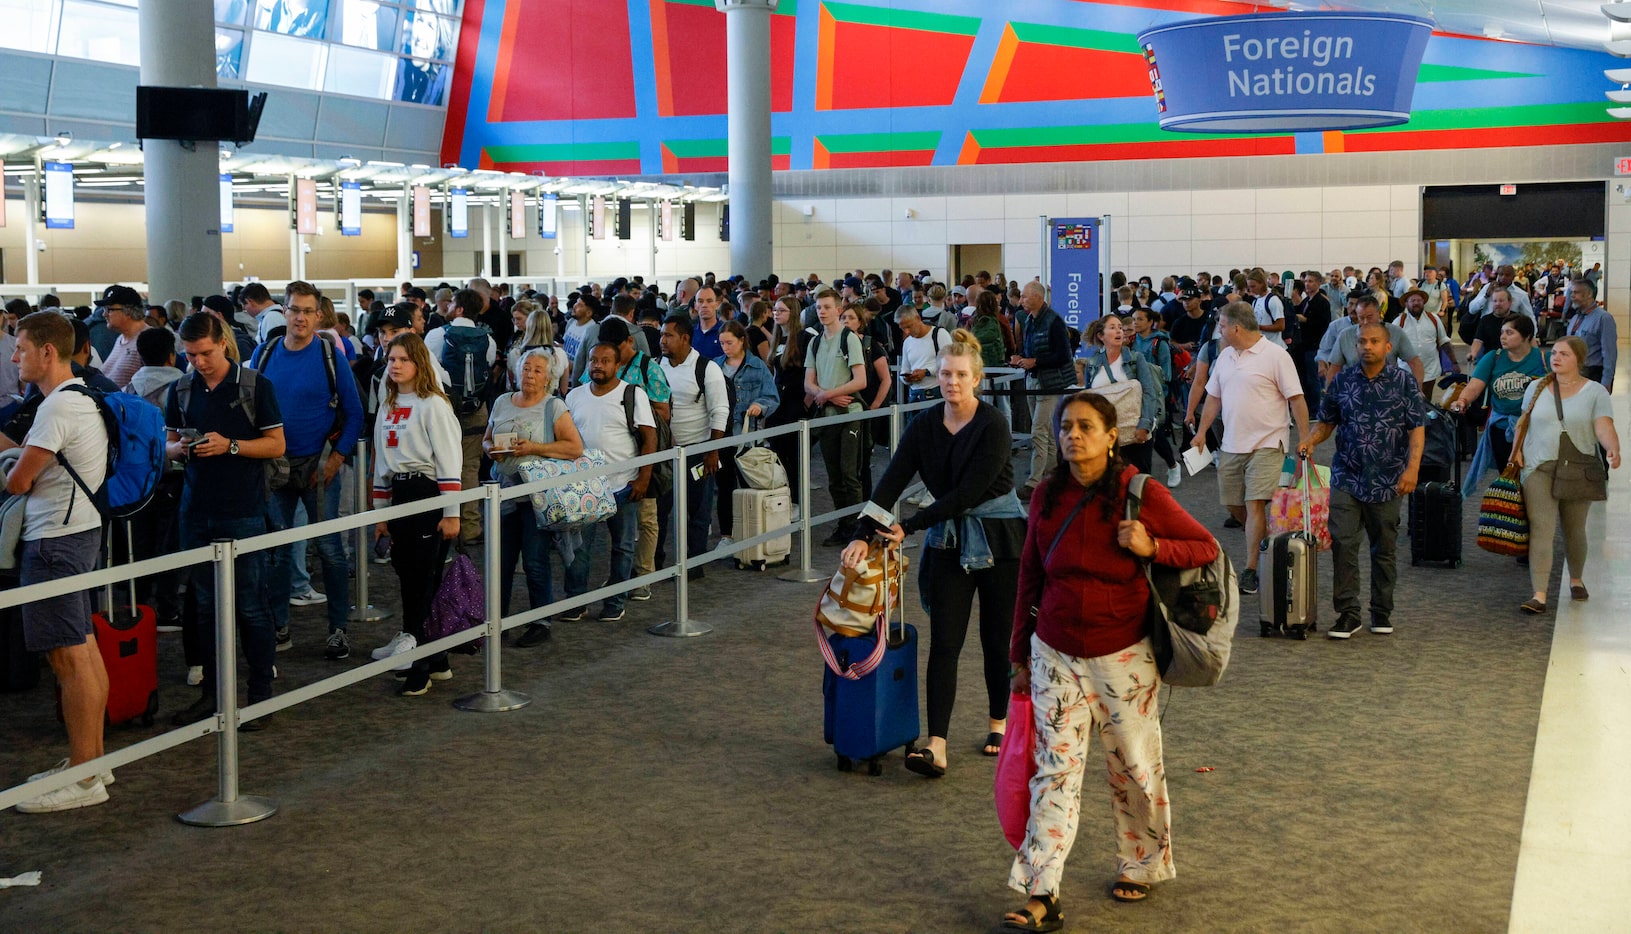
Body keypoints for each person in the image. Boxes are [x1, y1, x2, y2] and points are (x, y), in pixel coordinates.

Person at [1004, 391, 1219, 928]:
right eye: (1066, 428)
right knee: (1053, 773)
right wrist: (1019, 653)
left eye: (1085, 427)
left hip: (1123, 654)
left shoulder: (1138, 492)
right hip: (1053, 649)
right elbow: (1029, 575)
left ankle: (1142, 864)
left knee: (1135, 769)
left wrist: (1153, 548)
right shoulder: (1044, 496)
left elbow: (1205, 547)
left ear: (1109, 435)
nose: (1073, 436)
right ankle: (1041, 890)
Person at [840, 331, 1024, 777]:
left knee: (997, 642)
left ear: (977, 379)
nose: (952, 382)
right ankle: (936, 745)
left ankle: (999, 722)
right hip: (948, 541)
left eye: (961, 375)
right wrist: (864, 532)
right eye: (945, 374)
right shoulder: (923, 425)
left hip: (1000, 540)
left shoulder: (994, 424)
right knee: (944, 643)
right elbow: (891, 482)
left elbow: (967, 493)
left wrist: (911, 525)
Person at [3, 312, 112, 812]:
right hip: (78, 531)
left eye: (21, 347)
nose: (14, 357)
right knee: (83, 650)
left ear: (48, 352)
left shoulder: (56, 409)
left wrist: (13, 464)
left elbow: (19, 482)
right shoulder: (80, 398)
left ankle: (86, 775)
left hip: (54, 541)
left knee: (68, 659)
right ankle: (89, 762)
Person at [168, 312, 287, 726]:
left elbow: (276, 445)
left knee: (251, 605)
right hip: (196, 509)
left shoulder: (255, 386)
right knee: (203, 606)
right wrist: (179, 449)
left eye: (204, 352)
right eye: (190, 354)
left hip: (244, 509)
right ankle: (214, 693)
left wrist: (230, 446)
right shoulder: (182, 388)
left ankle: (259, 695)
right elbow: (167, 442)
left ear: (223, 343)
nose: (198, 361)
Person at [255, 281, 365, 661]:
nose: (299, 317)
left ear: (319, 316)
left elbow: (354, 414)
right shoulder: (265, 353)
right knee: (277, 552)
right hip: (274, 467)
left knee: (330, 549)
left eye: (307, 311)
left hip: (319, 467)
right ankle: (280, 625)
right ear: (283, 312)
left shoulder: (328, 356)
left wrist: (337, 458)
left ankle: (338, 629)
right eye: (293, 310)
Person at [1297, 323, 1426, 639]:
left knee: (1384, 548)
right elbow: (1327, 422)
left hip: (1389, 479)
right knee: (1343, 543)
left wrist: (1412, 470)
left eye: (1374, 341)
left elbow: (1417, 428)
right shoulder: (1342, 380)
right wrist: (1312, 440)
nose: (1367, 346)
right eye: (1362, 342)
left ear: (1387, 347)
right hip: (1347, 476)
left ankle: (1381, 612)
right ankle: (1348, 613)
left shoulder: (1403, 382)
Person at [1191, 302, 1309, 595]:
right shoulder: (1225, 356)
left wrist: (1305, 438)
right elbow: (1214, 398)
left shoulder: (1276, 356)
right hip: (1232, 443)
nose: (1218, 329)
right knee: (1233, 505)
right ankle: (1267, 541)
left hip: (1269, 442)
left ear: (1236, 328)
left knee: (1255, 502)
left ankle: (1252, 568)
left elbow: (1296, 399)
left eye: (1221, 325)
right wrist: (1203, 431)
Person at [370, 333, 463, 695]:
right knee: (408, 579)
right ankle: (436, 660)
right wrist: (380, 514)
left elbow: (449, 459)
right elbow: (381, 463)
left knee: (424, 582)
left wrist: (451, 511)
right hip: (400, 495)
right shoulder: (389, 404)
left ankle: (421, 665)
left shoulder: (433, 405)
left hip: (428, 493)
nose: (395, 365)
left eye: (403, 360)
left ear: (419, 363)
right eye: (391, 359)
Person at [1510, 337, 1621, 615]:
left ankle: (1576, 579)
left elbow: (1603, 425)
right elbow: (1523, 422)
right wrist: (1516, 452)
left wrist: (1612, 448)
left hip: (1578, 467)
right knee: (1542, 528)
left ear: (1578, 360)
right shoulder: (1537, 387)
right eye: (1555, 353)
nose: (1557, 358)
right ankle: (1539, 594)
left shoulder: (1595, 392)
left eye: (1565, 354)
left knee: (1574, 529)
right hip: (1538, 466)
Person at [485, 348, 583, 648]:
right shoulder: (502, 402)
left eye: (538, 370)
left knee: (535, 560)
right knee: (499, 561)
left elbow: (574, 448)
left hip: (537, 497)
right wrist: (492, 449)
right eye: (526, 368)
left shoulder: (554, 407)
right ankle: (496, 622)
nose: (530, 374)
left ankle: (541, 620)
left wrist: (534, 448)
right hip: (503, 492)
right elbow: (487, 438)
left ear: (548, 378)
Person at [563, 343, 656, 622]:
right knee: (578, 548)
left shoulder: (632, 394)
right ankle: (575, 602)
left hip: (623, 484)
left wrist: (643, 478)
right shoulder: (574, 396)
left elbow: (650, 438)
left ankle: (615, 603)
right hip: (584, 488)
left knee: (623, 546)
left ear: (617, 365)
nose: (597, 365)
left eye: (605, 360)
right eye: (593, 360)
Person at [424, 288, 498, 545]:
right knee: (469, 468)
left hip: (444, 410)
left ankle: (442, 521)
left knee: (439, 463)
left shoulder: (437, 335)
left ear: (459, 308)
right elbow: (488, 368)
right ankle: (470, 527)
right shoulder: (488, 340)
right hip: (477, 410)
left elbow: (428, 369)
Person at [804, 289, 868, 545]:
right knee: (833, 476)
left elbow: (860, 380)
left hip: (849, 414)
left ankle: (856, 528)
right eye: (819, 307)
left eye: (827, 307)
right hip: (828, 413)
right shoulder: (815, 342)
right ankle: (844, 525)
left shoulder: (849, 338)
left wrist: (827, 393)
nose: (822, 311)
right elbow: (808, 382)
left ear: (838, 309)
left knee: (849, 474)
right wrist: (827, 396)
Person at [1456, 314, 1545, 488]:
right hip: (1502, 429)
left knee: (1534, 480)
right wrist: (1463, 399)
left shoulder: (1543, 359)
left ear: (1526, 336)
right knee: (1509, 477)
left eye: (1509, 333)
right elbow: (1475, 385)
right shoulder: (1494, 357)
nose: (1503, 337)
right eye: (1502, 332)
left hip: (1535, 430)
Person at [713, 320, 780, 546]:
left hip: (747, 437)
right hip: (722, 436)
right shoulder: (715, 365)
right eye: (721, 343)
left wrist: (761, 406)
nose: (725, 347)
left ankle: (753, 530)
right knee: (724, 487)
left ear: (742, 341)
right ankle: (727, 534)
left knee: (751, 484)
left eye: (729, 342)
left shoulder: (758, 366)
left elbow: (772, 397)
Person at [1013, 282, 1075, 500]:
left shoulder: (1054, 322)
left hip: (1050, 383)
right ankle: (1050, 477)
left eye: (1024, 297)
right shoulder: (1030, 319)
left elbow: (1064, 356)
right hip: (1033, 380)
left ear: (1038, 298)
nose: (1021, 300)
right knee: (1045, 432)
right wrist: (1021, 359)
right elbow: (1030, 349)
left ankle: (1035, 481)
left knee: (1039, 431)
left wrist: (1034, 361)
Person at [1079, 316, 1163, 477]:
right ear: (1101, 335)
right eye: (1112, 327)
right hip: (1105, 436)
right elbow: (1089, 398)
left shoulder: (1135, 359)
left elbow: (1148, 392)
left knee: (1138, 482)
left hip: (1135, 433)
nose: (1119, 330)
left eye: (1120, 327)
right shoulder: (1092, 363)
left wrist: (1144, 425)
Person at [840, 302, 893, 501]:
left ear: (860, 322)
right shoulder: (833, 343)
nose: (846, 321)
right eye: (843, 317)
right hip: (844, 406)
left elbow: (886, 378)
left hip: (866, 406)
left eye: (851, 318)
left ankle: (865, 502)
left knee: (862, 459)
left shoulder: (871, 345)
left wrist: (875, 406)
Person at [1394, 288, 1453, 395]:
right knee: (1408, 399)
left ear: (1423, 302)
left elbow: (1444, 341)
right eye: (1412, 301)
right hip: (1406, 370)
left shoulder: (1434, 319)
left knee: (1426, 399)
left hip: (1430, 369)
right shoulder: (1399, 321)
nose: (1416, 303)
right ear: (1406, 304)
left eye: (1419, 300)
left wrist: (1454, 363)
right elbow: (1391, 346)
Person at [1563, 278, 1616, 390]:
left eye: (1576, 292)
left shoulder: (1603, 318)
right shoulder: (1575, 318)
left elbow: (1609, 353)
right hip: (1574, 374)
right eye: (1571, 292)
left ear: (1589, 294)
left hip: (1593, 374)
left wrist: (1606, 381)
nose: (1572, 296)